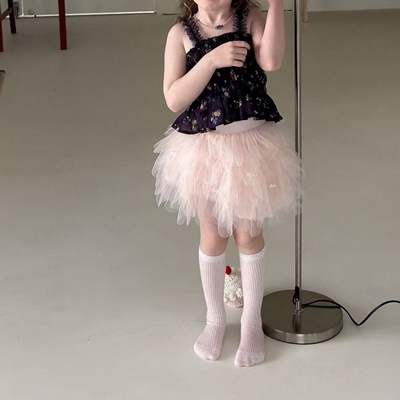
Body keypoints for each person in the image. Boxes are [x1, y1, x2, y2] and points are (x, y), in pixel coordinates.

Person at [152, 0, 302, 367]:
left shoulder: (248, 18)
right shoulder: (181, 34)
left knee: (248, 235)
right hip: (205, 151)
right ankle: (215, 318)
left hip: (251, 148)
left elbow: (271, 61)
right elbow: (173, 98)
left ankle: (250, 321)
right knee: (213, 234)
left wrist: (275, 5)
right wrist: (210, 60)